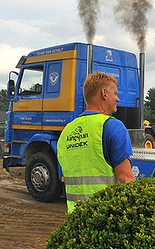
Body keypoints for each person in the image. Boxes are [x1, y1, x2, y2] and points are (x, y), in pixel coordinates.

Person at [56, 72, 135, 213]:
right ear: (104, 93)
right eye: (115, 93)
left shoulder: (66, 132)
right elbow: (125, 178)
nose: (118, 99)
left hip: (75, 220)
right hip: (106, 220)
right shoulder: (113, 126)